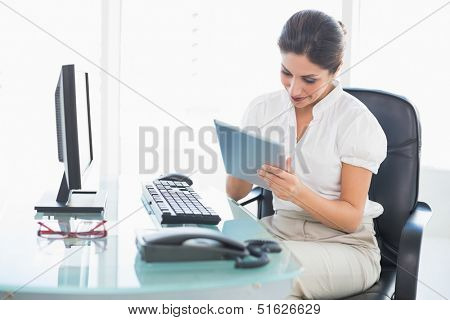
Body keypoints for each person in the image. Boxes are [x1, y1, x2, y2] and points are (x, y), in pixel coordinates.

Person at [226, 10, 387, 299]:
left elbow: (351, 219)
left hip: (345, 246)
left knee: (264, 280)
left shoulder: (356, 121)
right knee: (209, 265)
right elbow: (235, 194)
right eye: (286, 73)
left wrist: (297, 192)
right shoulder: (262, 109)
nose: (294, 89)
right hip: (280, 233)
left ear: (336, 70)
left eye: (309, 80)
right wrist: (242, 157)